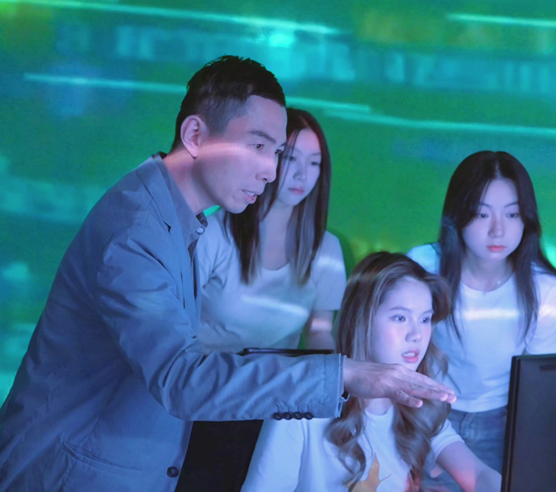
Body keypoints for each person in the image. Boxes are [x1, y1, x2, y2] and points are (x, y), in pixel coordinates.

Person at [0, 55, 453, 491]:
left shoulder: (175, 219)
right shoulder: (136, 235)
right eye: (257, 146)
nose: (271, 171)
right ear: (195, 135)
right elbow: (181, 378)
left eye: (276, 152)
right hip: (69, 475)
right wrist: (344, 375)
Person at [176, 107, 346, 490]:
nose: (303, 174)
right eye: (291, 159)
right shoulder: (215, 234)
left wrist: (330, 385)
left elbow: (320, 331)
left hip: (274, 403)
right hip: (205, 398)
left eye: (314, 163)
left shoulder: (326, 249)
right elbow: (177, 327)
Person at [241, 252, 501, 491]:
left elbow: (478, 475)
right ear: (362, 320)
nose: (417, 335)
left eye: (425, 319)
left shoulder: (420, 405)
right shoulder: (302, 404)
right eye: (400, 318)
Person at [407, 151, 556, 488]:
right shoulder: (422, 268)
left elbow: (540, 394)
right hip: (425, 409)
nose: (498, 230)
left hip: (504, 424)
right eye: (482, 214)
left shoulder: (547, 291)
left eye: (512, 214)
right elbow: (393, 360)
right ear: (458, 215)